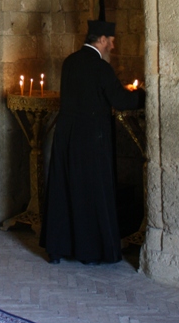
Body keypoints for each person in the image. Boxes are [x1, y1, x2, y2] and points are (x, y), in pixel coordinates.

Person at [40, 19, 145, 265]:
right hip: (91, 141)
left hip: (66, 138)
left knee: (65, 189)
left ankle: (58, 248)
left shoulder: (69, 62)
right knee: (90, 192)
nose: (113, 46)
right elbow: (120, 100)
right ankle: (89, 253)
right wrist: (143, 95)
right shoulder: (100, 68)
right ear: (101, 40)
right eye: (111, 41)